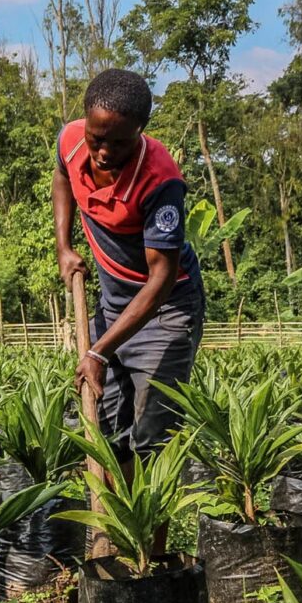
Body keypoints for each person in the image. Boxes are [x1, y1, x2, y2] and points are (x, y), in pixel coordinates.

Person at [52, 68, 205, 460]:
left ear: (141, 131)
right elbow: (62, 177)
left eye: (119, 144)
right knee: (105, 430)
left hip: (162, 312)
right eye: (97, 138)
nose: (104, 153)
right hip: (112, 307)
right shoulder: (70, 140)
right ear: (85, 121)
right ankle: (112, 521)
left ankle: (149, 522)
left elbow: (161, 279)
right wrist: (64, 246)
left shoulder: (160, 181)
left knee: (154, 441)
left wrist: (98, 351)